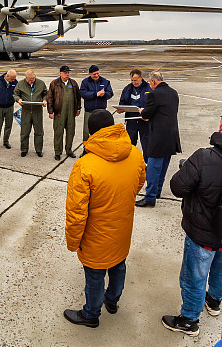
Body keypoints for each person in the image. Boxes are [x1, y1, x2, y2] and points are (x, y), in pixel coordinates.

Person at [162, 107, 222, 337]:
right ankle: (214, 301)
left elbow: (177, 187)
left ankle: (189, 319)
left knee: (194, 277)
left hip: (203, 231)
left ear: (221, 126)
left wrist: (188, 171)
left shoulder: (204, 157)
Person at [63, 110, 146, 328]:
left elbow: (76, 212)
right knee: (118, 265)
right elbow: (139, 183)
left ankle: (91, 314)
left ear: (92, 133)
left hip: (96, 234)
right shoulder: (134, 153)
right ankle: (112, 301)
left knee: (95, 275)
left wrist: (73, 241)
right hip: (122, 227)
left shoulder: (85, 165)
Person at [137, 71, 181, 208]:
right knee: (163, 166)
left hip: (159, 136)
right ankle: (157, 191)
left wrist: (142, 112)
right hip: (171, 135)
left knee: (153, 167)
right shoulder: (173, 92)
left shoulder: (154, 94)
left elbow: (147, 113)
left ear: (153, 81)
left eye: (150, 82)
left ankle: (150, 197)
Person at [47, 65, 82, 160]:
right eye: (65, 73)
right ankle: (58, 152)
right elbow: (49, 98)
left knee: (71, 132)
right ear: (60, 73)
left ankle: (69, 150)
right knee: (58, 133)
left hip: (71, 112)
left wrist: (78, 109)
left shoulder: (73, 83)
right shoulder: (54, 83)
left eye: (68, 73)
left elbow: (78, 97)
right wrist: (50, 111)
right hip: (59, 112)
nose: (67, 74)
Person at [14, 69, 47, 157]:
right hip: (26, 111)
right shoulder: (21, 84)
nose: (30, 82)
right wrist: (18, 99)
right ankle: (24, 149)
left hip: (37, 111)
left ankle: (39, 150)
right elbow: (15, 94)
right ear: (26, 78)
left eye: (32, 80)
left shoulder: (41, 83)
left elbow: (45, 93)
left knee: (39, 132)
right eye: (28, 80)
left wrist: (45, 100)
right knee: (24, 132)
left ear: (35, 77)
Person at [117, 69, 152, 152]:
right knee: (130, 144)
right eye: (132, 80)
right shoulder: (127, 89)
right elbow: (122, 102)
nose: (133, 82)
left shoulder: (149, 88)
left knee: (147, 144)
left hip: (144, 121)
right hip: (131, 121)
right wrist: (121, 109)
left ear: (141, 77)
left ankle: (147, 159)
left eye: (135, 80)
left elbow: (153, 105)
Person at [79, 65, 114, 143]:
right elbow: (83, 94)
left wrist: (104, 94)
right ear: (90, 74)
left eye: (98, 73)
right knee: (87, 132)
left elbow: (110, 93)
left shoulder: (105, 82)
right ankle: (86, 147)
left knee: (101, 133)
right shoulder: (85, 82)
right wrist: (95, 94)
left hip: (101, 112)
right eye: (94, 74)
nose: (97, 75)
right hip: (89, 111)